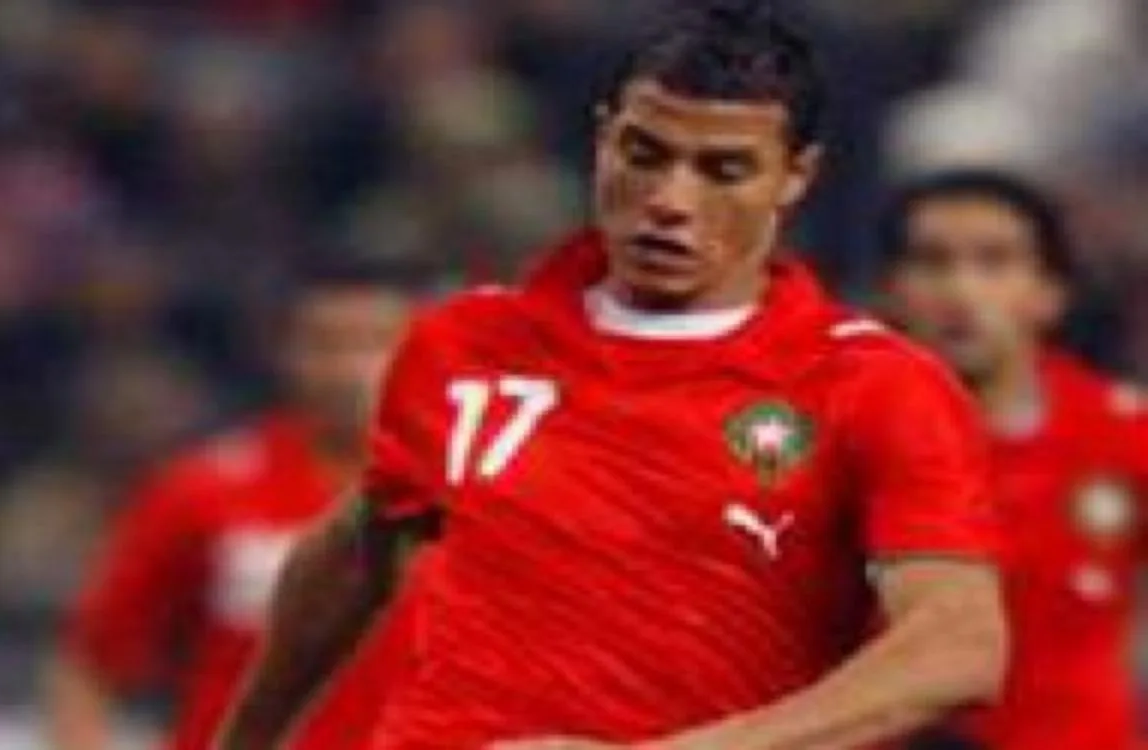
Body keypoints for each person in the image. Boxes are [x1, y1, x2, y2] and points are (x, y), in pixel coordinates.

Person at [220, 3, 1008, 749]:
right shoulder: (467, 341)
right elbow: (357, 549)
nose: (669, 201)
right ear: (604, 137)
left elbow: (958, 646)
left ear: (795, 176)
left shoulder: (872, 385)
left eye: (724, 170)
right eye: (644, 154)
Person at [46, 259, 422, 750]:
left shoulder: (472, 500)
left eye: (376, 343)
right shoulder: (204, 489)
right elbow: (92, 660)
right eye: (325, 344)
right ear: (285, 352)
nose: (349, 370)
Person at [881, 169, 1148, 750]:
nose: (961, 291)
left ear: (1050, 293)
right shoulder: (834, 442)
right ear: (890, 290)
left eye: (994, 262)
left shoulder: (1124, 437)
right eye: (933, 262)